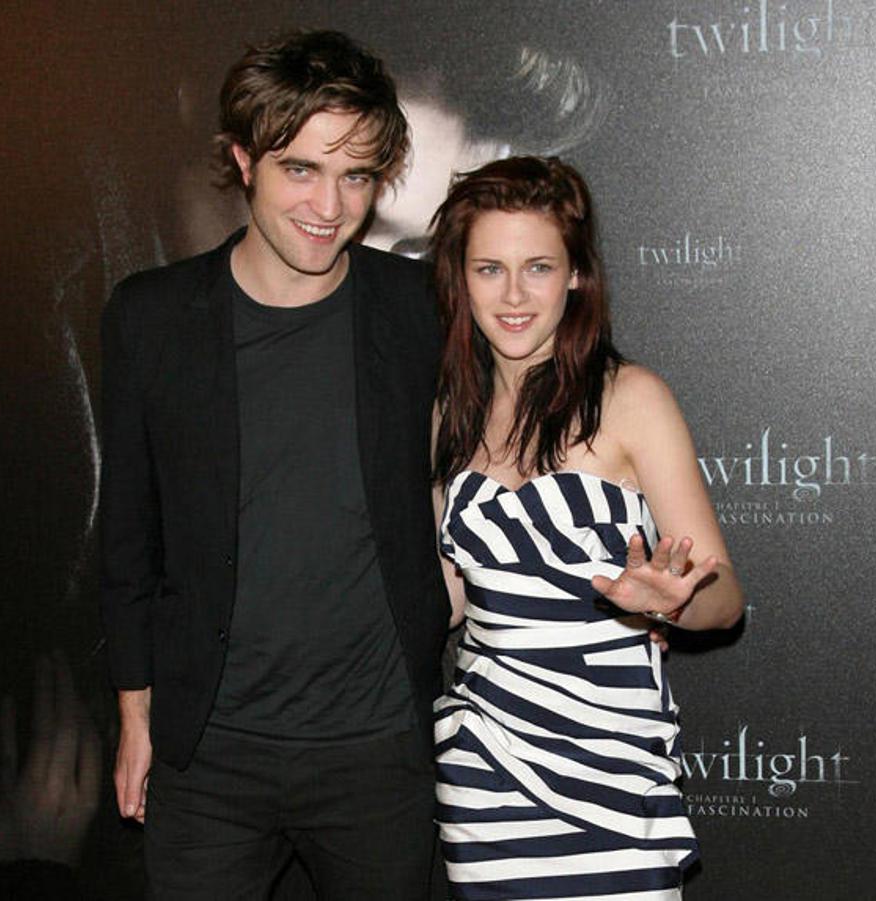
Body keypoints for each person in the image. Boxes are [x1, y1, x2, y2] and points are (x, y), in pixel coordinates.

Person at [100, 30, 449, 899]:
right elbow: (130, 533)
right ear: (242, 159)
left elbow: (530, 411)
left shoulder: (420, 308)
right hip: (208, 753)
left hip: (376, 750)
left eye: (356, 176)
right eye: (301, 169)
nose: (330, 205)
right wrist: (135, 713)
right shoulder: (151, 317)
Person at [429, 156, 744, 900]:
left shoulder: (631, 399)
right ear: (460, 280)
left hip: (609, 769)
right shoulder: (447, 415)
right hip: (486, 773)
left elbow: (725, 597)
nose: (513, 295)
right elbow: (444, 604)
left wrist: (669, 600)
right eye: (489, 269)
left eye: (537, 267)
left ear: (575, 275)